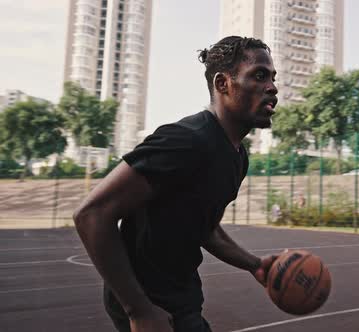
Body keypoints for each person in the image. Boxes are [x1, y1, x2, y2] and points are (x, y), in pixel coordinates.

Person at [73, 36, 279, 332]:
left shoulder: (236, 157)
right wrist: (139, 310)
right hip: (150, 301)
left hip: (182, 297)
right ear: (223, 84)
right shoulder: (185, 140)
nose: (272, 87)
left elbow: (204, 227)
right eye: (259, 75)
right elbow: (92, 213)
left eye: (272, 77)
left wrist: (255, 265)